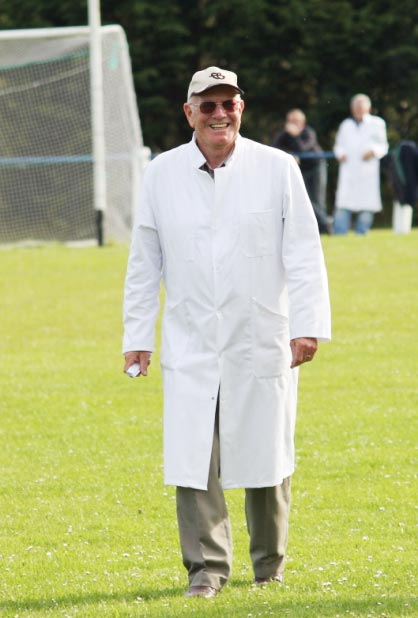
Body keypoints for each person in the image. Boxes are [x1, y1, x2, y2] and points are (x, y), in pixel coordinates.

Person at [122, 66, 331, 599]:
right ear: (188, 112)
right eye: (207, 105)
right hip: (191, 338)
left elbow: (305, 253)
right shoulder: (161, 174)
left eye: (228, 104)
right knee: (194, 458)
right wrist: (137, 334)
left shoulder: (277, 168)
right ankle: (206, 571)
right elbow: (144, 261)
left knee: (266, 453)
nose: (219, 114)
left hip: (260, 334)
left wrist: (308, 326)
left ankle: (269, 567)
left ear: (242, 108)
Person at [333, 94, 388, 234]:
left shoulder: (377, 124)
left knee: (366, 203)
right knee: (343, 202)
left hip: (367, 170)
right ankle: (340, 232)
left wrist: (373, 152)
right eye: (355, 107)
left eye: (361, 106)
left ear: (368, 108)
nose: (358, 109)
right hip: (349, 168)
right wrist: (341, 154)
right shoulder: (345, 125)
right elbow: (338, 145)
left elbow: (383, 145)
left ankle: (362, 232)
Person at [273, 109, 330, 234]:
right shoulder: (284, 134)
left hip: (316, 167)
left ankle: (325, 226)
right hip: (300, 170)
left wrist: (294, 135)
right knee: (304, 199)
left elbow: (302, 148)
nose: (292, 124)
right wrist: (290, 154)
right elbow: (275, 149)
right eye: (290, 121)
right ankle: (317, 227)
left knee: (317, 199)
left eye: (295, 121)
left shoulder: (309, 132)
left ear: (303, 123)